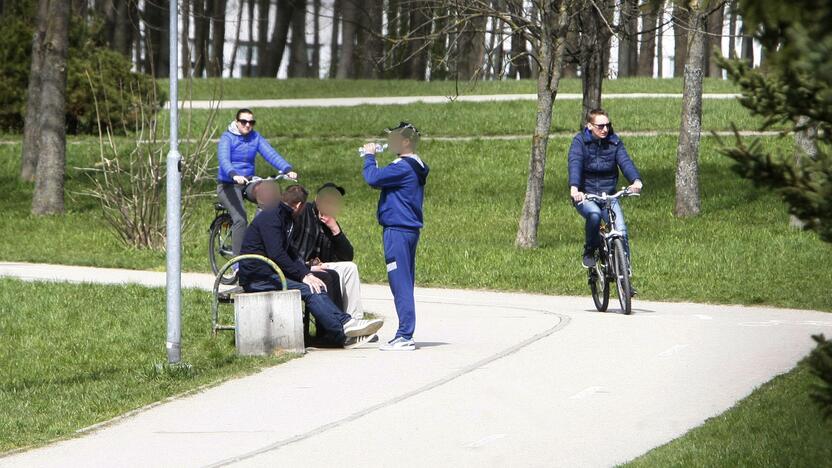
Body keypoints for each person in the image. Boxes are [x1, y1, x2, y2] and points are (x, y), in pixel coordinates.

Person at [237, 182, 383, 349]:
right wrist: (303, 276)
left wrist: (307, 272)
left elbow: (290, 252)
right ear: (299, 205)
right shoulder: (272, 217)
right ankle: (342, 334)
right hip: (258, 278)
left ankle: (347, 323)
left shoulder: (282, 216)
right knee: (310, 289)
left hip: (270, 273)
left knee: (315, 284)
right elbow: (277, 254)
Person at [360, 122, 429, 351]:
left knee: (400, 283)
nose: (390, 143)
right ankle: (404, 333)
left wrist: (369, 156)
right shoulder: (414, 165)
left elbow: (372, 178)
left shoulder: (402, 167)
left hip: (397, 230)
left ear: (406, 142)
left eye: (395, 139)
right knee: (404, 282)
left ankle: (404, 335)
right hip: (407, 230)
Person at [568, 108, 643, 292]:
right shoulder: (580, 142)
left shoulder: (614, 142)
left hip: (608, 195)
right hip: (586, 195)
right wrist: (575, 188)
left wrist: (636, 180)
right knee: (593, 214)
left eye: (607, 125)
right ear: (590, 126)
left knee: (622, 232)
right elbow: (575, 163)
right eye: (600, 126)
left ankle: (626, 279)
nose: (605, 129)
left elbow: (625, 162)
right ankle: (590, 251)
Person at [217, 108, 298, 259]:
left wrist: (286, 169)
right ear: (236, 122)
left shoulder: (255, 137)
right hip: (228, 184)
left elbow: (271, 154)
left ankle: (259, 230)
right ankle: (237, 263)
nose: (248, 125)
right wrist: (233, 174)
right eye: (244, 122)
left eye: (251, 122)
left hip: (247, 182)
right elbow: (224, 160)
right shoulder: (227, 138)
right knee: (240, 219)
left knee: (268, 193)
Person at [289, 182, 365, 319]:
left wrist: (335, 230)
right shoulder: (303, 213)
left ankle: (355, 319)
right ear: (318, 199)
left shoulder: (329, 222)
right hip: (300, 267)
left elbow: (347, 256)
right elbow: (289, 247)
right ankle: (336, 324)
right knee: (330, 275)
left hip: (321, 265)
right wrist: (306, 265)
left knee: (350, 268)